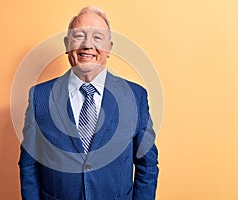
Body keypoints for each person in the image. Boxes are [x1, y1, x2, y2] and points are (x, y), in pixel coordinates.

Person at [18, 6, 159, 200]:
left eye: (97, 37)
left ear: (109, 48)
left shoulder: (136, 97)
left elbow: (147, 165)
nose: (87, 45)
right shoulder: (39, 97)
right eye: (79, 36)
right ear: (67, 44)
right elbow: (29, 164)